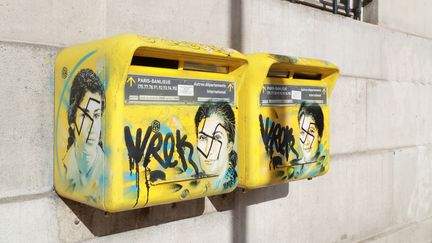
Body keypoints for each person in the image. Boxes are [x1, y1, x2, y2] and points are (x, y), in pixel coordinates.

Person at [62, 68, 106, 202]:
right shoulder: (63, 169)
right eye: (85, 115)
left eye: (97, 115)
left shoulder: (109, 171)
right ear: (72, 121)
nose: (92, 127)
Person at [194, 101, 237, 190]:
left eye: (217, 138)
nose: (208, 151)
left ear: (229, 145)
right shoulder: (197, 185)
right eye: (203, 137)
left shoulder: (229, 184)